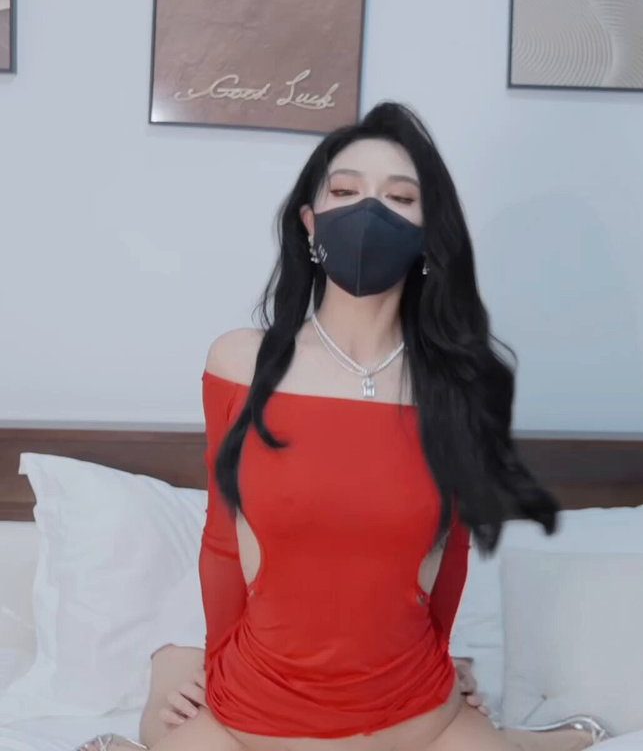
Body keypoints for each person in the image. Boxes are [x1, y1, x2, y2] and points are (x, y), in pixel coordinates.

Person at [77, 101, 611, 751]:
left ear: (428, 232)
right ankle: (170, 678)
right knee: (171, 726)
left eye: (400, 198)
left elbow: (450, 552)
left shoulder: (459, 386)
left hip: (415, 713)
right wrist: (214, 665)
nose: (369, 212)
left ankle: (537, 737)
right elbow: (223, 538)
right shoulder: (240, 363)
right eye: (345, 191)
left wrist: (447, 658)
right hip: (255, 711)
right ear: (310, 222)